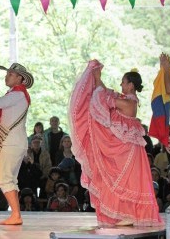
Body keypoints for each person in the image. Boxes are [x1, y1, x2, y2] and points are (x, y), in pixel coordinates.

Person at [69, 59, 163, 226]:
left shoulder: (128, 103)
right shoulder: (127, 100)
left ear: (131, 85)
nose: (121, 84)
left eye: (124, 82)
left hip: (127, 151)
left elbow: (103, 97)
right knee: (123, 180)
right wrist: (98, 78)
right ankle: (126, 214)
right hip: (127, 150)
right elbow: (105, 94)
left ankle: (128, 214)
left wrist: (97, 78)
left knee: (124, 180)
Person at [0, 63, 34, 225]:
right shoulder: (17, 94)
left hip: (12, 142)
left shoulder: (18, 94)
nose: (7, 76)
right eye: (8, 74)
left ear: (20, 78)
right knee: (9, 179)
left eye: (11, 74)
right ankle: (16, 214)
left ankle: (16, 215)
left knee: (4, 179)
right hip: (14, 141)